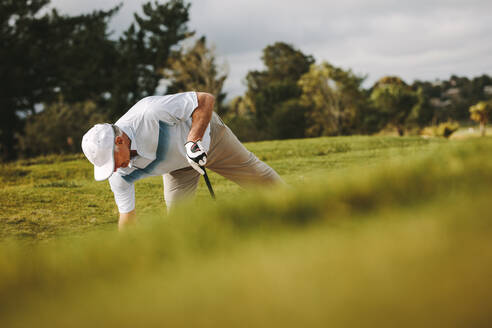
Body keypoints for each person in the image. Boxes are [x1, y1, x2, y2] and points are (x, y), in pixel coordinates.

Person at [81, 92, 283, 230]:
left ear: (119, 141)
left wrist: (193, 141)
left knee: (258, 178)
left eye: (112, 161)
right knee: (178, 225)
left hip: (209, 138)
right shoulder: (118, 174)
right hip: (178, 167)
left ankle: (303, 212)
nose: (114, 168)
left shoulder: (149, 112)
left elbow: (205, 100)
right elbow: (127, 217)